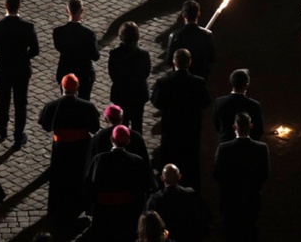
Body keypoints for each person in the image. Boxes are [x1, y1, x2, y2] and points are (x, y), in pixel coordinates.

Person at [38, 74, 100, 233]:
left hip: (61, 147)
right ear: (78, 88)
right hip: (81, 147)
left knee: (60, 177)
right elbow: (94, 128)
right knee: (78, 177)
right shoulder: (87, 106)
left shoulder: (53, 105)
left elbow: (45, 125)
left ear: (62, 88)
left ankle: (59, 210)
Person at [0, 0, 39, 149]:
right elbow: (35, 50)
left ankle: (2, 131)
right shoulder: (28, 27)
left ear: (5, 5)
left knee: (3, 100)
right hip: (21, 70)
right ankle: (18, 137)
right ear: (19, 6)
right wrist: (24, 56)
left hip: (3, 70)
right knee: (20, 104)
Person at [150, 49, 210, 191]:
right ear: (189, 62)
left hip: (171, 128)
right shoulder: (198, 82)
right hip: (191, 128)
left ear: (173, 62)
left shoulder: (164, 83)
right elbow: (206, 102)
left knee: (170, 156)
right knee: (190, 159)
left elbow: (156, 102)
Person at [85, 125, 155, 242]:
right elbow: (145, 186)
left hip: (104, 211)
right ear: (128, 141)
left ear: (111, 139)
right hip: (128, 212)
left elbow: (89, 184)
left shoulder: (99, 159)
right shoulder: (137, 160)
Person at [213, 112, 270, 242]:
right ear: (250, 125)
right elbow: (264, 174)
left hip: (229, 198)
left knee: (230, 231)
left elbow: (217, 174)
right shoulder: (261, 148)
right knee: (250, 230)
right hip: (252, 197)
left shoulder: (224, 148)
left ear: (234, 126)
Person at [145, 164, 210, 242]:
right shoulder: (191, 195)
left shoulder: (155, 200)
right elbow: (204, 218)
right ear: (179, 177)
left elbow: (147, 225)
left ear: (162, 178)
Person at [53, 0, 100, 101]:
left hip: (65, 72)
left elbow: (59, 47)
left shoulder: (58, 32)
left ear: (67, 10)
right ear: (82, 11)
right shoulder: (89, 34)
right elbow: (95, 56)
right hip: (84, 74)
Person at [108, 21, 151, 132]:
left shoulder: (115, 54)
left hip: (121, 94)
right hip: (138, 94)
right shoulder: (144, 54)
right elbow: (146, 73)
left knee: (122, 125)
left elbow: (113, 75)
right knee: (137, 125)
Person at [212, 68, 264, 143]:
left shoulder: (219, 102)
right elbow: (258, 130)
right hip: (247, 147)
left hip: (225, 144)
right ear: (247, 84)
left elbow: (217, 125)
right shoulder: (254, 105)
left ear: (231, 82)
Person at [166, 0, 214, 79]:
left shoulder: (174, 36)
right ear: (198, 14)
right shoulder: (207, 35)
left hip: (180, 79)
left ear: (184, 15)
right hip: (200, 77)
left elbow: (169, 60)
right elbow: (212, 58)